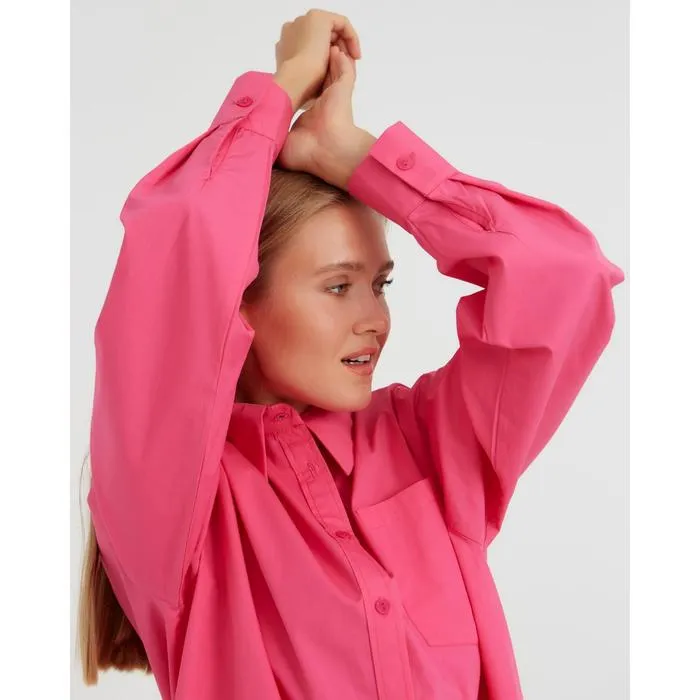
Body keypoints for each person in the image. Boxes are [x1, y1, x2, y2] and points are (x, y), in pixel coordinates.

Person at [78, 9, 624, 700]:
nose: (375, 320)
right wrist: (279, 90)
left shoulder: (429, 447)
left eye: (380, 284)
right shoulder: (179, 502)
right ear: (236, 303)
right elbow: (176, 255)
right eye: (338, 286)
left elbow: (566, 276)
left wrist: (352, 156)